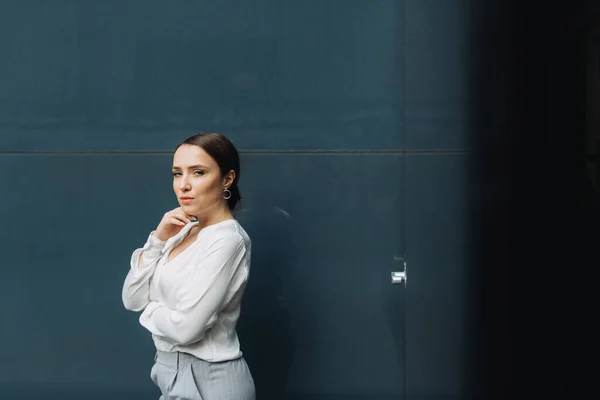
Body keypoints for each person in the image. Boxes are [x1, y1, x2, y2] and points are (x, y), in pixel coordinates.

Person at [122, 132, 255, 399]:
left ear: (227, 178)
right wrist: (158, 239)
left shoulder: (227, 240)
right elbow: (132, 298)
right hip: (168, 373)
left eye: (197, 172)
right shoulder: (182, 231)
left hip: (212, 379)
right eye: (177, 173)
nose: (183, 185)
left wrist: (149, 311)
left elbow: (186, 330)